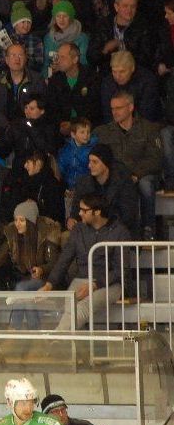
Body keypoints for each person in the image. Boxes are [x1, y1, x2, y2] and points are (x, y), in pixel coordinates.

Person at [41, 194, 131, 330]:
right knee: (70, 308)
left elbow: (121, 270)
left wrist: (95, 285)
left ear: (97, 212)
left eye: (84, 210)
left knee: (82, 308)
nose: (79, 213)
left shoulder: (119, 232)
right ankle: (65, 344)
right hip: (81, 279)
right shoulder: (79, 230)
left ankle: (55, 340)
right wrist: (49, 284)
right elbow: (64, 258)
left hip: (109, 284)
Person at [94, 89, 163, 239]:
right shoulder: (104, 132)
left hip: (141, 175)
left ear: (130, 107)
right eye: (112, 108)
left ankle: (148, 229)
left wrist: (136, 174)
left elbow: (155, 159)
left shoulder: (148, 128)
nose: (114, 112)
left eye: (118, 108)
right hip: (115, 176)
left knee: (145, 185)